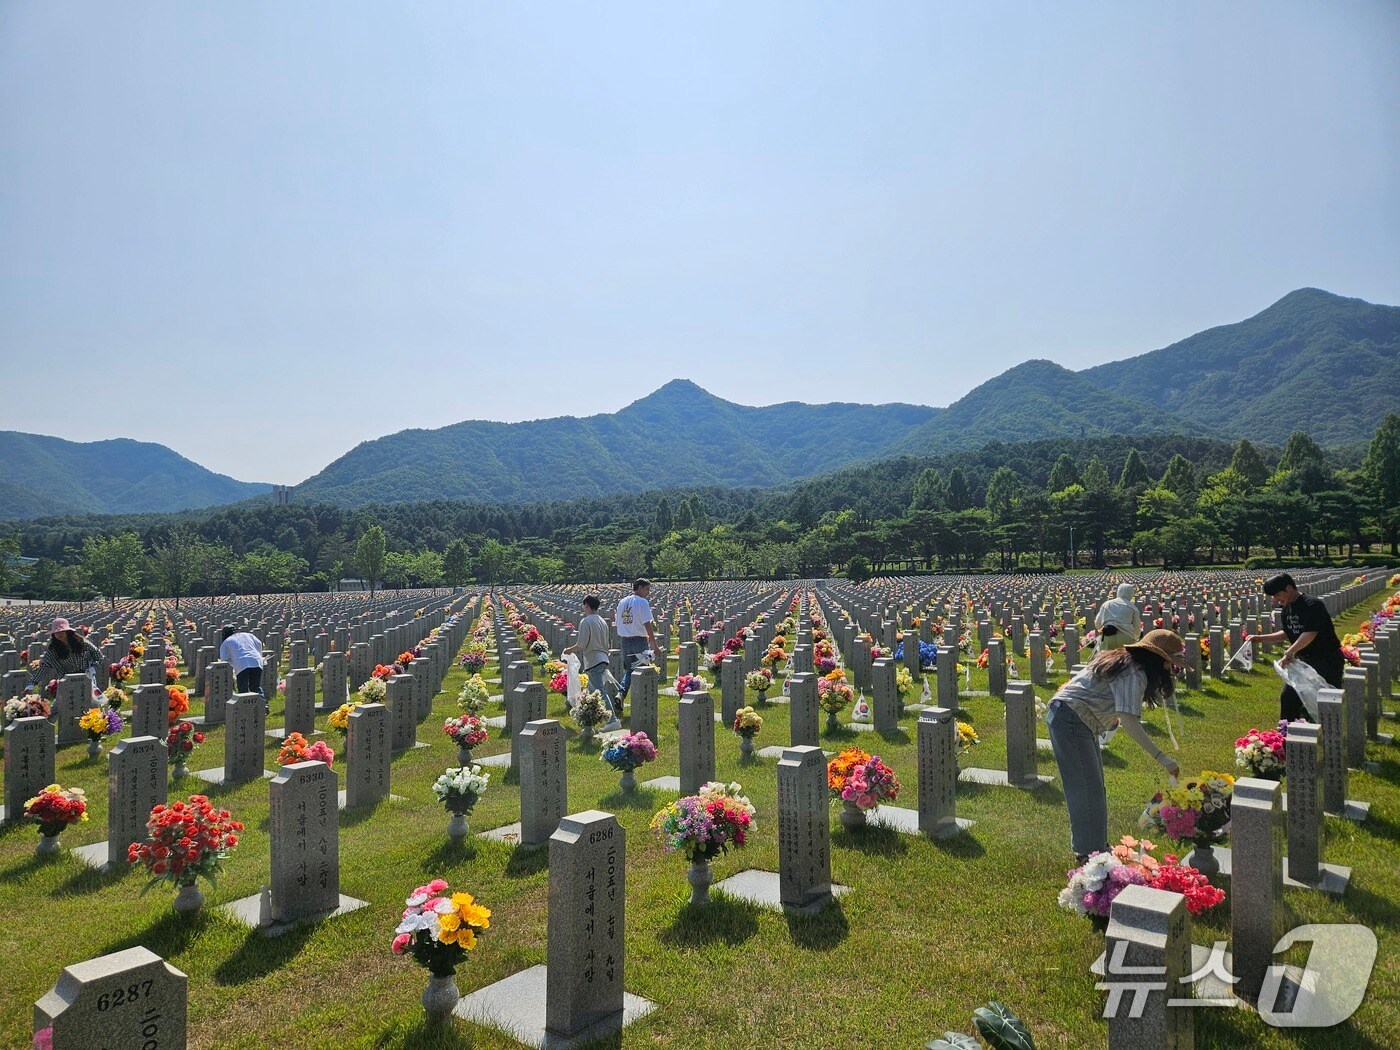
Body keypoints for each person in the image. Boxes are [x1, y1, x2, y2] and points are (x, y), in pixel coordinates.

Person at [1047, 628, 1184, 862]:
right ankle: (1089, 854)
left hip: (1075, 717)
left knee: (1094, 789)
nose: (1170, 669)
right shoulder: (1134, 673)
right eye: (1169, 663)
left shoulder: (1123, 660)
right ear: (1159, 660)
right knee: (1085, 790)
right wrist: (1162, 758)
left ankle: (1098, 847)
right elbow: (1129, 721)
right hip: (1072, 719)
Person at [1252, 572, 1343, 722]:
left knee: (1328, 701)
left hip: (1326, 660)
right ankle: (1286, 733)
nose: (1275, 599)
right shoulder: (1287, 609)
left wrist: (1289, 652)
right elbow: (1287, 633)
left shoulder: (1312, 605)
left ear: (1289, 588)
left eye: (1277, 594)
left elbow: (1310, 633)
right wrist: (1260, 638)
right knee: (1289, 697)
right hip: (1303, 661)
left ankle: (1329, 734)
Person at [562, 595, 621, 731]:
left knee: (600, 692)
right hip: (603, 658)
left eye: (583, 605)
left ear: (587, 605)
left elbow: (581, 644)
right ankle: (588, 720)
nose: (583, 608)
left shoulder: (586, 621)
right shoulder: (602, 621)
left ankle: (612, 720)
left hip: (594, 660)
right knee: (590, 692)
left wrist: (569, 650)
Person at [615, 578, 658, 704]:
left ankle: (621, 693)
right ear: (639, 587)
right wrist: (654, 644)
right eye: (647, 589)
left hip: (625, 641)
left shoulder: (622, 601)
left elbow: (618, 622)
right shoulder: (642, 602)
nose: (648, 592)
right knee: (643, 670)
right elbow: (647, 624)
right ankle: (642, 701)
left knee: (630, 669)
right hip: (639, 640)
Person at [28, 618, 103, 690]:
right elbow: (44, 666)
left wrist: (92, 669)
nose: (59, 634)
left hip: (86, 677)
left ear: (68, 631)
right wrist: (32, 684)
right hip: (66, 681)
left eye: (62, 631)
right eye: (56, 632)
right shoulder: (53, 649)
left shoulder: (82, 643)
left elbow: (99, 657)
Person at [219, 626, 267, 706]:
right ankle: (263, 705)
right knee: (255, 687)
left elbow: (224, 658)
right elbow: (259, 643)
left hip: (241, 664)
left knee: (243, 689)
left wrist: (233, 663)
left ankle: (246, 708)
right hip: (256, 661)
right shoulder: (248, 635)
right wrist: (259, 655)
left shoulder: (226, 642)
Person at [1094, 583, 1142, 651]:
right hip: (1126, 636)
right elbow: (1136, 625)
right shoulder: (1132, 607)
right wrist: (1136, 637)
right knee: (1126, 657)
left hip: (1108, 635)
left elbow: (1097, 623)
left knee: (1106, 656)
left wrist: (1101, 629)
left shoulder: (1106, 604)